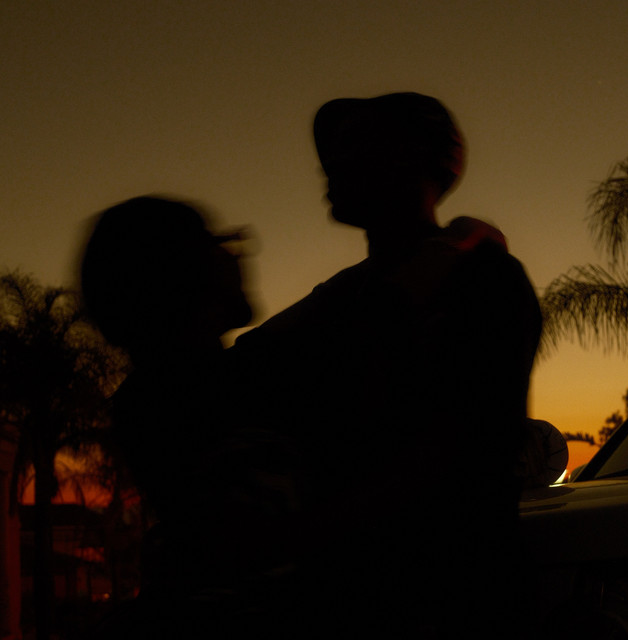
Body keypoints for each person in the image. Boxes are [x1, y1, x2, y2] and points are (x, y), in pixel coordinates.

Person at [234, 93, 542, 638]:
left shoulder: (484, 281)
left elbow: (469, 450)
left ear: (415, 159)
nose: (331, 164)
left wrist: (302, 535)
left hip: (449, 600)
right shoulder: (348, 295)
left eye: (356, 145)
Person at [80, 196, 298, 638]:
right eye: (220, 244)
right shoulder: (209, 394)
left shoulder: (164, 391)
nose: (236, 255)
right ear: (185, 273)